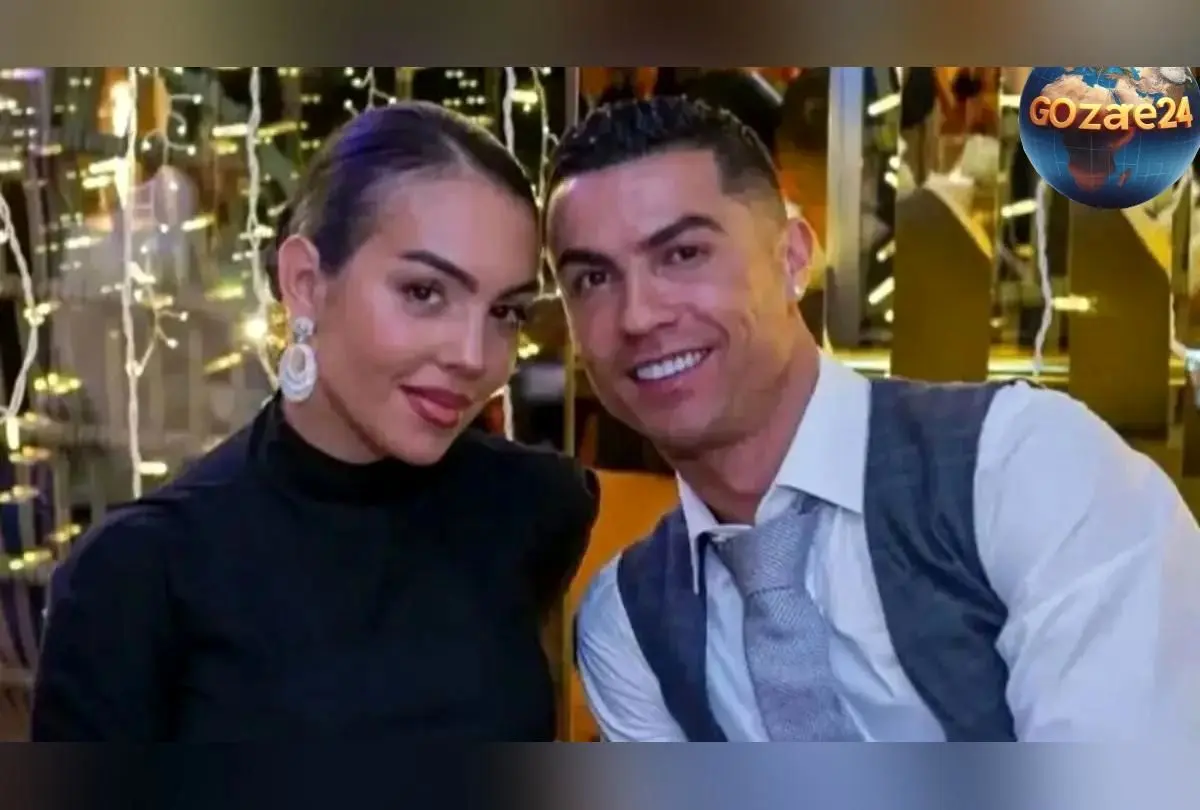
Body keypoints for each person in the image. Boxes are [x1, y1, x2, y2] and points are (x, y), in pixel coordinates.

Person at [543, 96, 1200, 742]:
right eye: (593, 279)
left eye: (684, 254)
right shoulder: (627, 627)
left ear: (793, 258)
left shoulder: (1024, 467)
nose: (638, 315)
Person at [31, 102, 599, 741]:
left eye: (505, 312)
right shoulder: (139, 576)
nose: (473, 356)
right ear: (305, 282)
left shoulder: (536, 507)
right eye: (424, 292)